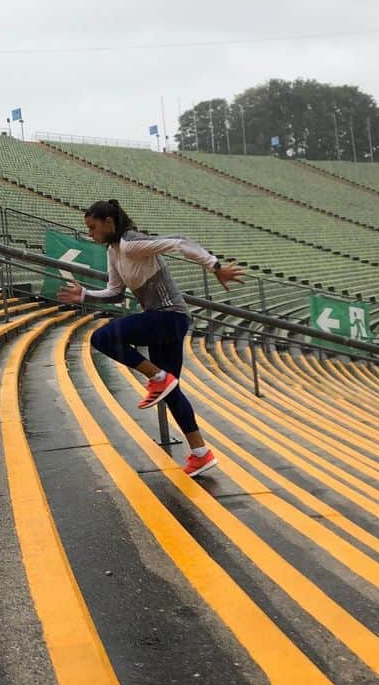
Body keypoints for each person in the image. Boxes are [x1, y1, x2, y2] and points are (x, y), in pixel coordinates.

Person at [57, 199, 245, 477]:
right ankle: (201, 453)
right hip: (163, 320)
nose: (90, 234)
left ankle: (157, 378)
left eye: (93, 227)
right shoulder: (114, 251)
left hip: (169, 316)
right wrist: (84, 295)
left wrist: (214, 266)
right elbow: (115, 292)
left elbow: (179, 242)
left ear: (109, 222)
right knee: (172, 393)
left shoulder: (132, 243)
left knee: (102, 338)